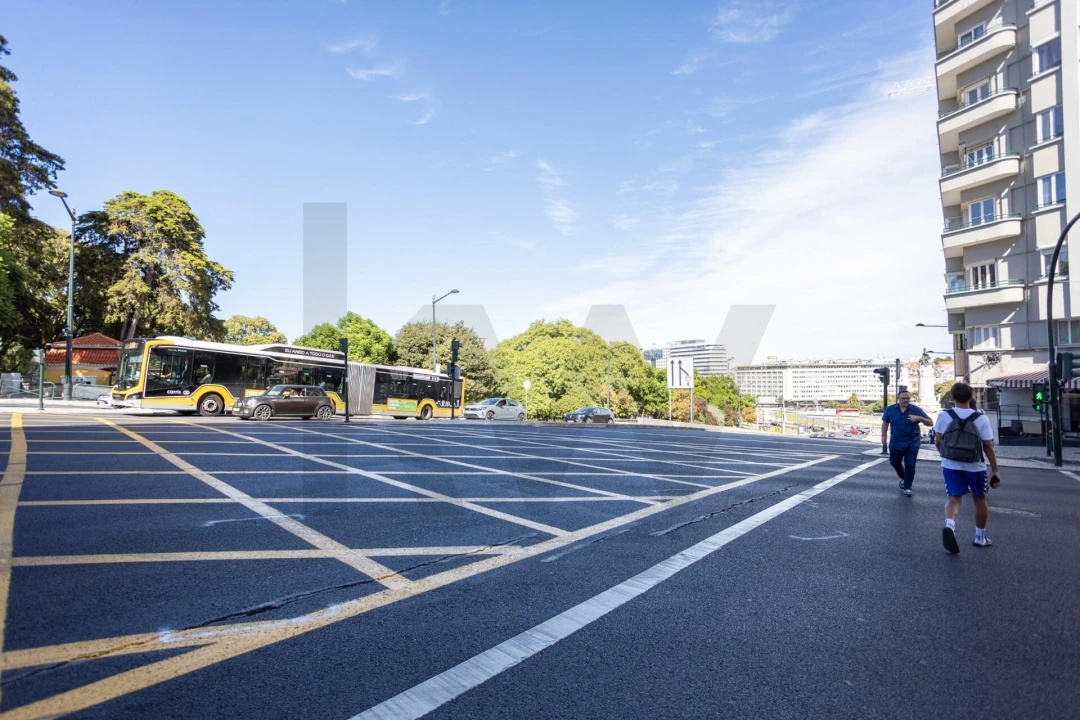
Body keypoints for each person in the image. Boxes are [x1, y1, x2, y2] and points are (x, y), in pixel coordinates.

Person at [933, 382, 1001, 554]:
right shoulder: (981, 418)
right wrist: (994, 469)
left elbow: (938, 441)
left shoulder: (944, 416)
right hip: (975, 466)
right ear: (971, 397)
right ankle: (980, 537)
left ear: (952, 397)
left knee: (953, 498)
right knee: (980, 499)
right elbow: (987, 445)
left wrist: (945, 456)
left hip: (951, 464)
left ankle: (950, 524)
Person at [880, 390, 933, 497]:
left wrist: (920, 418)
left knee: (910, 465)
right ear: (898, 398)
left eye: (907, 398)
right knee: (894, 462)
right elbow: (885, 423)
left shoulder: (916, 410)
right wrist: (884, 436)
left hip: (912, 442)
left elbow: (930, 422)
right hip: (896, 441)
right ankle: (904, 478)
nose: (905, 400)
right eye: (903, 398)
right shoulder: (890, 409)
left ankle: (907, 487)